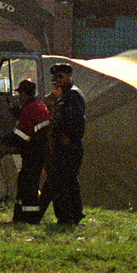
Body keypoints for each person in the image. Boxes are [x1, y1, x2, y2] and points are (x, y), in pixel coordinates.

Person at [40, 62, 87, 228]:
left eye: (60, 77)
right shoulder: (63, 96)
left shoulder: (72, 95)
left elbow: (77, 122)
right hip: (61, 146)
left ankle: (68, 217)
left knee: (64, 182)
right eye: (55, 77)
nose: (57, 80)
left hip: (69, 147)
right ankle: (73, 215)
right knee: (65, 181)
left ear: (69, 76)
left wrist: (69, 137)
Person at [8, 78, 51, 224]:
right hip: (40, 153)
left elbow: (23, 134)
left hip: (32, 153)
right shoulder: (40, 106)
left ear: (25, 94)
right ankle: (21, 215)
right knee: (28, 181)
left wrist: (7, 139)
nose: (18, 97)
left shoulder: (28, 109)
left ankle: (29, 218)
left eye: (20, 93)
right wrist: (16, 112)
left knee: (28, 185)